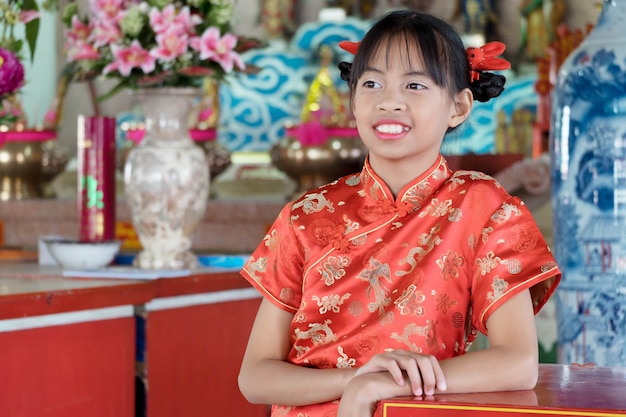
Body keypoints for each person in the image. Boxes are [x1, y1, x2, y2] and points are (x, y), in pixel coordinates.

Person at [238, 9, 561, 417]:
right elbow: (254, 377)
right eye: (371, 83)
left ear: (459, 106)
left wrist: (388, 387)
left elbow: (518, 364)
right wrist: (358, 381)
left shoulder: (481, 206)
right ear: (353, 100)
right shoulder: (306, 214)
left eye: (414, 84)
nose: (389, 100)